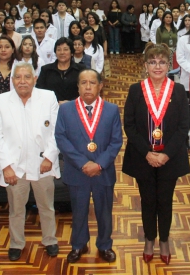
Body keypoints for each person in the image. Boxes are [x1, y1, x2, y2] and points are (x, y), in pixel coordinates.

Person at [122, 45, 190, 264]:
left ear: (169, 66)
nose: (157, 66)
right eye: (153, 62)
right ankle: (149, 239)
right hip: (144, 158)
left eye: (162, 62)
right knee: (148, 200)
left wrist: (166, 154)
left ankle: (164, 240)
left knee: (165, 201)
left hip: (169, 158)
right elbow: (129, 126)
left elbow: (183, 126)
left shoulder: (178, 91)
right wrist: (148, 153)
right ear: (145, 66)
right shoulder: (135, 90)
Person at [0, 62, 61, 263]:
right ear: (12, 80)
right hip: (14, 168)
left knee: (47, 206)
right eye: (18, 77)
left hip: (43, 164)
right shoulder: (1, 101)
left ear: (35, 79)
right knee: (16, 209)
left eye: (27, 77)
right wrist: (6, 167)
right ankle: (16, 243)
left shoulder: (48, 97)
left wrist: (49, 157)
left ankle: (50, 240)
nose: (22, 81)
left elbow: (57, 131)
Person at [54, 69, 123, 263]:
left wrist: (99, 164)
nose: (87, 87)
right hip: (78, 171)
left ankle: (104, 245)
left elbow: (116, 142)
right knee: (79, 211)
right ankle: (78, 244)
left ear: (100, 85)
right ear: (77, 86)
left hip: (103, 172)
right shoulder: (66, 109)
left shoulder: (111, 110)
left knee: (104, 212)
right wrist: (83, 163)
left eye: (92, 82)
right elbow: (61, 138)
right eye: (83, 82)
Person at [36, 37, 86, 103]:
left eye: (65, 49)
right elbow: (39, 91)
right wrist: (56, 103)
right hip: (51, 108)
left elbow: (85, 90)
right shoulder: (46, 70)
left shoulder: (81, 70)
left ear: (71, 53)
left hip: (75, 107)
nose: (62, 52)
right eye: (59, 50)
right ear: (55, 53)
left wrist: (70, 102)